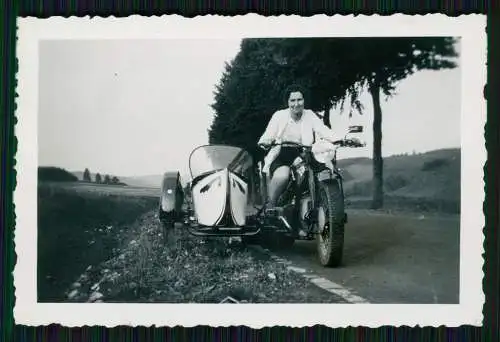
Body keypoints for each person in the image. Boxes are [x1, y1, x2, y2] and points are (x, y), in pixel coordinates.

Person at [257, 85, 339, 207]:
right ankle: (271, 207)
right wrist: (266, 141)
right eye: (293, 100)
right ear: (288, 102)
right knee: (283, 176)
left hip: (306, 153)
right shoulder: (279, 115)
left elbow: (323, 130)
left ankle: (326, 205)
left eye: (299, 99)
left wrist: (340, 139)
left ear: (304, 100)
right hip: (283, 153)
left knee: (324, 171)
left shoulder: (310, 115)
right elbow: (269, 134)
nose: (296, 104)